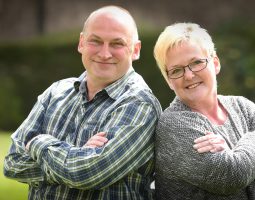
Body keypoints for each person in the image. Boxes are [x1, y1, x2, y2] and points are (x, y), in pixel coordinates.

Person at [4, 5, 162, 200]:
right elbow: (12, 163)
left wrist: (39, 142)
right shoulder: (56, 92)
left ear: (135, 50)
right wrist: (76, 156)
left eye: (117, 43)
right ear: (81, 43)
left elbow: (89, 173)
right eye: (95, 41)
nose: (105, 53)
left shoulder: (139, 104)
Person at [153, 22, 255, 200]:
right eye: (176, 70)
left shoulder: (242, 106)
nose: (189, 75)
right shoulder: (175, 125)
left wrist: (236, 152)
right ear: (169, 80)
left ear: (215, 63)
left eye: (197, 62)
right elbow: (231, 175)